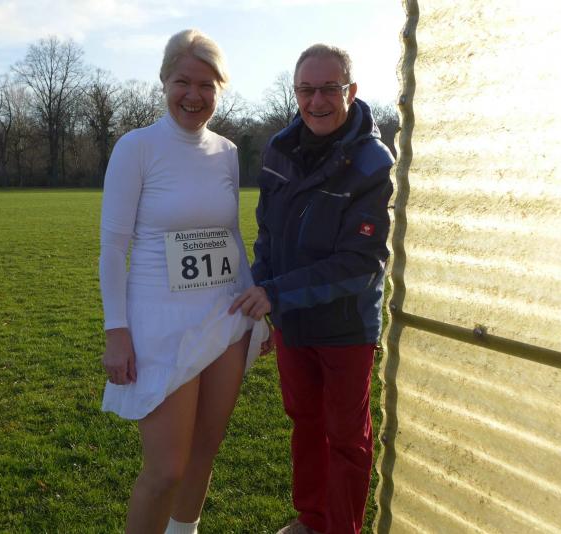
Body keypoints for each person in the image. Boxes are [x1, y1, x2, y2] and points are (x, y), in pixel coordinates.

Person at [99, 29, 270, 534]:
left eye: (206, 85)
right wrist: (116, 331)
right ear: (164, 82)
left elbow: (230, 236)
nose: (194, 95)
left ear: (220, 90)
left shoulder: (227, 152)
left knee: (204, 452)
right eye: (183, 82)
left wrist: (257, 315)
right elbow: (113, 250)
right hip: (159, 322)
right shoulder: (136, 148)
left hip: (225, 316)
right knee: (165, 470)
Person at [230, 44, 394, 534]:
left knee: (345, 436)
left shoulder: (372, 162)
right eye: (306, 89)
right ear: (295, 91)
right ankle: (312, 519)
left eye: (329, 89)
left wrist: (275, 293)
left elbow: (360, 264)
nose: (316, 101)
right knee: (304, 420)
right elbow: (268, 233)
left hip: (345, 326)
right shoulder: (279, 150)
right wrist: (264, 293)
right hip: (292, 322)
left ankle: (342, 527)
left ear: (351, 91)